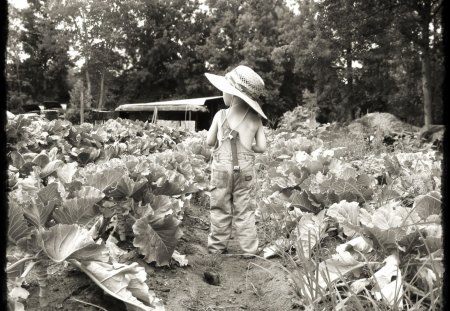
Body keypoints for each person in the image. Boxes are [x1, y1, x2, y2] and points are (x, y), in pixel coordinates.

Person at [204, 65, 267, 257]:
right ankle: (249, 250)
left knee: (220, 208)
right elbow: (262, 147)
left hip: (222, 171)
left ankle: (217, 247)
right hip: (245, 173)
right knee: (245, 210)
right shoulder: (255, 118)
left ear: (231, 94)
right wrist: (249, 147)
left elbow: (209, 142)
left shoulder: (220, 115)